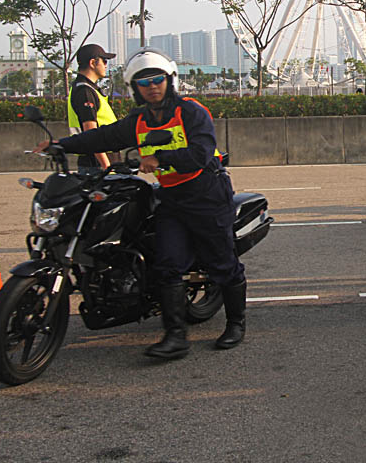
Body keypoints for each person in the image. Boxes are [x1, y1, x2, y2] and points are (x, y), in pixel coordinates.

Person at [34, 48, 247, 359]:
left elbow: (201, 153)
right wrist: (60, 145)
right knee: (168, 263)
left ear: (169, 80)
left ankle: (236, 323)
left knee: (222, 263)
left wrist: (160, 158)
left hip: (207, 195)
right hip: (172, 198)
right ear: (135, 88)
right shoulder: (140, 119)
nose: (151, 86)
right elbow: (104, 137)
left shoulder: (191, 111)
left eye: (157, 79)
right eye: (143, 82)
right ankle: (176, 336)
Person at [68, 43, 118, 170]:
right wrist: (106, 166)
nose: (106, 65)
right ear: (92, 63)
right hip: (97, 165)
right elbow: (91, 132)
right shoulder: (85, 91)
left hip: (100, 161)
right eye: (104, 61)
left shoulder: (87, 88)